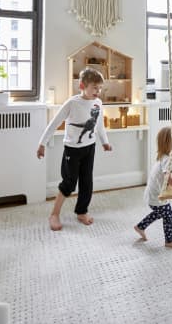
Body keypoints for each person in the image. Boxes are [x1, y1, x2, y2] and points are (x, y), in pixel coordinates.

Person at [37, 67, 112, 231]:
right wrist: (42, 143)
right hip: (72, 149)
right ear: (82, 86)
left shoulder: (98, 103)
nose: (98, 91)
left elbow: (99, 125)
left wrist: (104, 142)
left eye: (100, 88)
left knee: (87, 182)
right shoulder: (72, 103)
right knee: (69, 183)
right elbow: (54, 123)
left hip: (89, 148)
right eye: (94, 88)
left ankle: (81, 211)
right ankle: (54, 214)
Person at [134, 126, 172, 249]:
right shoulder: (167, 160)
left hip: (155, 193)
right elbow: (169, 179)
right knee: (168, 214)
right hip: (156, 196)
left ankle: (140, 226)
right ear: (165, 145)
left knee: (161, 213)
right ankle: (169, 240)